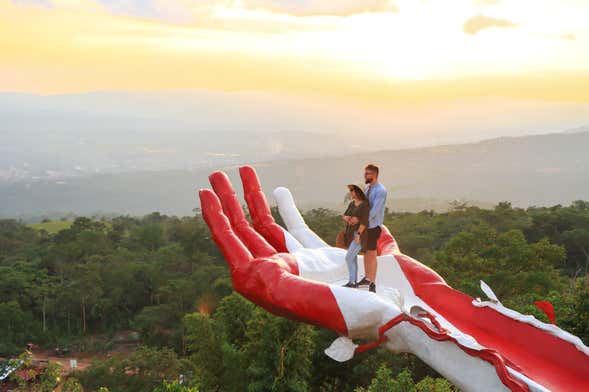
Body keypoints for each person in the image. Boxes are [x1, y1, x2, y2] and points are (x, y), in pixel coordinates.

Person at [358, 164, 387, 293]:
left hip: (373, 226)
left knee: (372, 253)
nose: (365, 176)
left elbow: (375, 211)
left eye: (368, 174)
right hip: (365, 225)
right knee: (366, 253)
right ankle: (367, 278)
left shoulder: (380, 190)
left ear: (375, 175)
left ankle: (372, 283)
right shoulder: (367, 188)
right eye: (365, 173)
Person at [342, 184, 369, 288]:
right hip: (350, 233)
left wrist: (358, 235)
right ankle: (353, 282)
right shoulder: (352, 204)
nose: (351, 192)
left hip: (359, 234)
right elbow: (344, 215)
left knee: (349, 257)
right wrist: (347, 218)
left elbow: (364, 222)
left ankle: (352, 282)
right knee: (353, 258)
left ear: (358, 191)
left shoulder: (365, 205)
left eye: (352, 190)